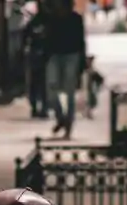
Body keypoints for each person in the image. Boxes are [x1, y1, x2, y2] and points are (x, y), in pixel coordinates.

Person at [44, 0, 86, 139]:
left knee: (70, 92)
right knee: (51, 90)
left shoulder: (76, 19)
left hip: (71, 55)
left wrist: (82, 62)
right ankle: (60, 117)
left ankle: (69, 124)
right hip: (54, 55)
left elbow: (81, 41)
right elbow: (47, 39)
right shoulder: (51, 19)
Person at [23, 0, 49, 118]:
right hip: (36, 55)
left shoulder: (46, 22)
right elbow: (25, 38)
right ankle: (36, 107)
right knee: (37, 83)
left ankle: (43, 107)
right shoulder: (34, 22)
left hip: (44, 55)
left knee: (41, 83)